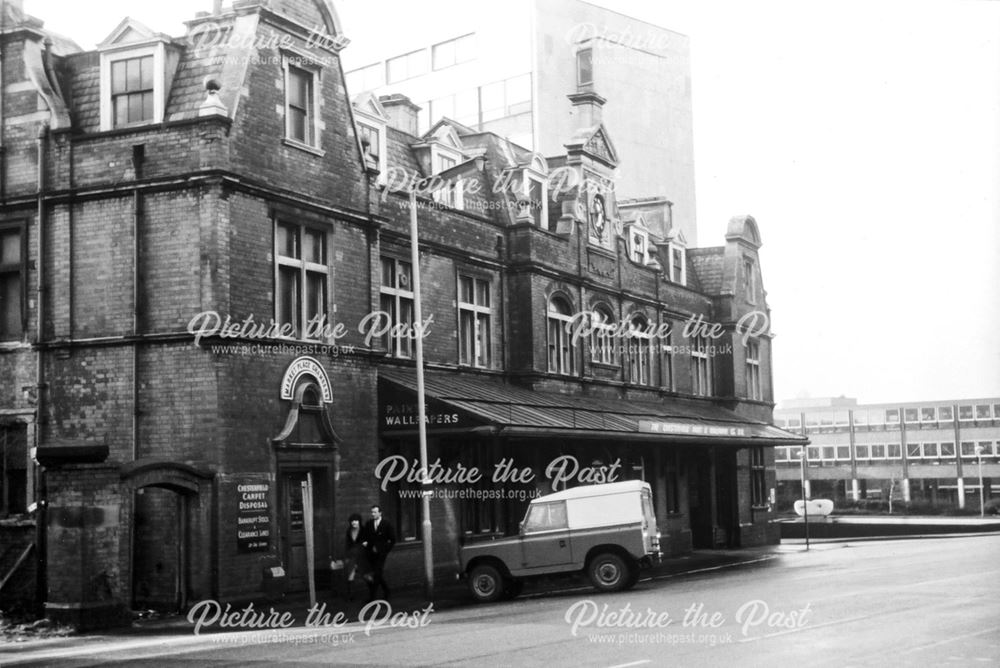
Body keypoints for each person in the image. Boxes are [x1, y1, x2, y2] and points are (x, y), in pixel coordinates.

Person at [362, 504, 395, 602]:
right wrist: (365, 544)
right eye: (372, 512)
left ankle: (372, 597)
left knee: (376, 574)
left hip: (381, 554)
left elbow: (392, 540)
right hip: (371, 553)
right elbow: (365, 537)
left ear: (380, 513)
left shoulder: (387, 524)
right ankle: (387, 590)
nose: (373, 514)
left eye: (375, 512)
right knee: (377, 574)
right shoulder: (368, 524)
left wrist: (385, 551)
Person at [343, 513, 371, 600]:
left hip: (362, 556)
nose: (354, 523)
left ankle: (372, 593)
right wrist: (347, 556)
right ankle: (351, 595)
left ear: (359, 521)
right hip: (352, 556)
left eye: (356, 521)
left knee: (365, 575)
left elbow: (368, 543)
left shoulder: (364, 530)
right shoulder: (349, 531)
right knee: (350, 574)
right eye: (352, 521)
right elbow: (348, 544)